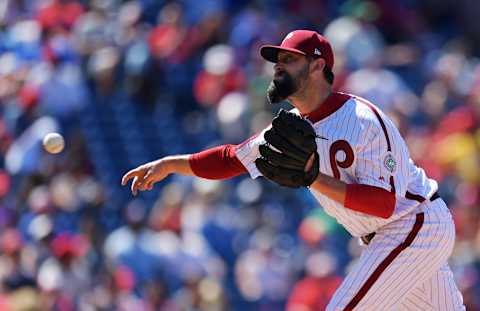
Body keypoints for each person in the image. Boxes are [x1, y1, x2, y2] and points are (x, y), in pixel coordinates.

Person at [121, 30, 465, 310]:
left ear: (317, 66)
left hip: (413, 224)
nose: (278, 67)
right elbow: (231, 159)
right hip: (388, 237)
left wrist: (315, 178)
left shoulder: (362, 119)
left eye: (288, 59)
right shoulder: (290, 128)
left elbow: (384, 204)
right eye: (277, 61)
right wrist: (170, 165)